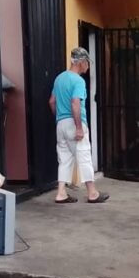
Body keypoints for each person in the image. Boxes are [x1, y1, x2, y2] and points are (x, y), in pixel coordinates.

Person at [48, 47, 108, 204]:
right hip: (74, 123)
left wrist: (60, 119)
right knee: (84, 156)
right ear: (81, 62)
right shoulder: (78, 81)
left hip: (60, 124)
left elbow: (52, 102)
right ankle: (92, 193)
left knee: (64, 159)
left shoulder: (59, 79)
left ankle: (61, 193)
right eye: (87, 62)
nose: (88, 66)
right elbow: (75, 103)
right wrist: (79, 128)